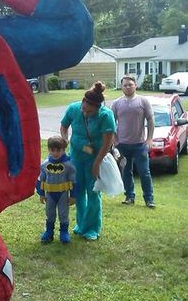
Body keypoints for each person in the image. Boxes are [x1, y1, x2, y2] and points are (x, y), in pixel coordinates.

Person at [60, 81, 116, 240]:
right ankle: (81, 224)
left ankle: (92, 228)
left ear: (98, 108)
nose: (85, 113)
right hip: (76, 156)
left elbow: (107, 142)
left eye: (90, 112)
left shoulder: (106, 115)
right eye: (84, 109)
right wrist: (65, 140)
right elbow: (64, 126)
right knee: (78, 191)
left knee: (93, 191)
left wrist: (97, 163)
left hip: (95, 157)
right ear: (82, 102)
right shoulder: (73, 108)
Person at [111, 75, 155, 208]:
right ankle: (129, 196)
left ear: (135, 85)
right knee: (126, 171)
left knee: (144, 172)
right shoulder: (116, 103)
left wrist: (149, 138)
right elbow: (111, 123)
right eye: (125, 85)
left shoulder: (143, 101)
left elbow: (151, 120)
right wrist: (115, 140)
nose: (128, 87)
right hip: (122, 146)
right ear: (121, 87)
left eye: (130, 84)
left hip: (140, 145)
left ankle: (149, 199)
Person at [36, 135, 76, 244]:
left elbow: (74, 181)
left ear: (64, 150)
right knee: (50, 213)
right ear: (49, 150)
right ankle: (49, 232)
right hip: (49, 194)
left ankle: (64, 232)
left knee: (63, 213)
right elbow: (40, 179)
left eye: (59, 150)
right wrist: (41, 194)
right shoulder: (45, 165)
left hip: (63, 194)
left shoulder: (69, 165)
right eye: (52, 150)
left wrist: (73, 196)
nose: (55, 153)